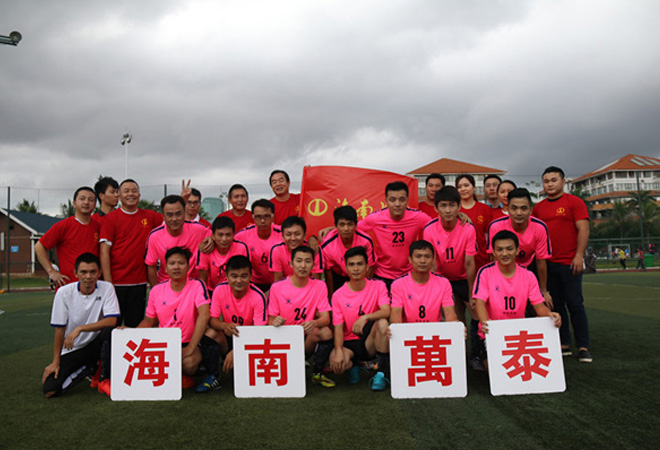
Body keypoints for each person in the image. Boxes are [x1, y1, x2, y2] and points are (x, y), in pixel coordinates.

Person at [473, 230, 561, 370]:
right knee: (497, 371)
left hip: (517, 332)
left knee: (522, 371)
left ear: (517, 250)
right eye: (500, 250)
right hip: (492, 332)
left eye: (509, 249)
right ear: (494, 252)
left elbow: (539, 306)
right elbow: (480, 302)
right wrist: (485, 323)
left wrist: (550, 315)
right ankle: (483, 356)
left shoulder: (528, 275)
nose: (504, 253)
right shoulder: (485, 272)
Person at [533, 166, 592, 362]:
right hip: (548, 265)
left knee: (575, 304)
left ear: (563, 182)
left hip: (570, 263)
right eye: (546, 181)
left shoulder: (574, 202)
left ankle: (583, 346)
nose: (550, 184)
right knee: (556, 305)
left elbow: (583, 229)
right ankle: (564, 343)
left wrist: (579, 255)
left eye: (554, 180)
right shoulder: (539, 208)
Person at [42, 253, 120, 398]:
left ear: (99, 273)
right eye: (83, 272)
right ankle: (90, 367)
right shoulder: (64, 293)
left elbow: (111, 321)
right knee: (50, 390)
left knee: (110, 331)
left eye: (93, 272)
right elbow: (60, 329)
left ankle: (104, 378)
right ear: (75, 273)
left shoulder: (107, 288)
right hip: (73, 348)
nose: (88, 276)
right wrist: (55, 361)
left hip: (96, 344)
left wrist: (80, 329)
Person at [138, 247, 213, 388]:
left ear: (188, 267)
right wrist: (131, 334)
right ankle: (176, 375)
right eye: (172, 263)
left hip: (190, 341)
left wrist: (191, 347)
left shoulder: (197, 285)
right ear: (166, 268)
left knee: (189, 365)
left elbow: (204, 315)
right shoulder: (156, 290)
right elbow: (149, 320)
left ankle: (191, 369)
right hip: (164, 342)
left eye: (181, 263)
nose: (176, 267)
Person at [422, 187, 480, 367]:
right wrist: (434, 290)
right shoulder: (429, 229)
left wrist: (472, 293)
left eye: (452, 205)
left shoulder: (468, 228)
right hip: (441, 279)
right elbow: (432, 263)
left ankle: (476, 355)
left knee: (476, 311)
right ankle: (453, 355)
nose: (448, 210)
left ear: (459, 207)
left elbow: (469, 263)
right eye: (443, 206)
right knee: (449, 315)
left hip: (462, 277)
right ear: (436, 208)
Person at [268, 246, 335, 388]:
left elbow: (326, 318)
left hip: (305, 339)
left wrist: (314, 322)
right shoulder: (277, 287)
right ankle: (289, 365)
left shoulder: (320, 286)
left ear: (313, 264)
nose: (303, 266)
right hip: (284, 340)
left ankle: (317, 372)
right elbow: (270, 321)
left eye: (307, 261)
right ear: (291, 264)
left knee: (325, 332)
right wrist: (276, 321)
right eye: (299, 261)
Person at [100, 179, 163, 327]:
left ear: (139, 195)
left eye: (134, 191)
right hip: (116, 284)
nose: (131, 194)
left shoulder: (150, 216)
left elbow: (174, 220)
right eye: (126, 191)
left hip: (139, 283)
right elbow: (104, 252)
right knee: (111, 327)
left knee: (134, 327)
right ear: (119, 196)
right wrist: (108, 283)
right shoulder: (110, 219)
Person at [202, 255, 267, 392]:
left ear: (251, 276)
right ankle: (213, 375)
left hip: (251, 342)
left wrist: (237, 350)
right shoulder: (220, 289)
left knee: (246, 376)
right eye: (234, 276)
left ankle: (244, 365)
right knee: (210, 333)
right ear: (226, 276)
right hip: (229, 337)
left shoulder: (258, 296)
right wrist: (224, 326)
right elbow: (212, 320)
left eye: (244, 276)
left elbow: (259, 332)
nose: (239, 281)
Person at [329, 246, 391, 390]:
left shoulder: (378, 286)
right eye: (351, 264)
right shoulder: (338, 295)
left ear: (367, 267)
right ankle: (354, 365)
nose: (356, 268)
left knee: (382, 323)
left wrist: (366, 317)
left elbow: (386, 311)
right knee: (337, 365)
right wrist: (338, 351)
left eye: (360, 264)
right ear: (346, 268)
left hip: (369, 342)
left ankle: (381, 373)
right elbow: (338, 328)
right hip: (348, 343)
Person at [357, 181, 430, 290]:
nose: (397, 204)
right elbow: (352, 229)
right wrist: (332, 229)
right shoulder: (375, 219)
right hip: (382, 274)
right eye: (392, 200)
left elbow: (436, 227)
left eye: (402, 200)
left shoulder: (418, 217)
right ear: (386, 201)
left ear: (407, 200)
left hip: (408, 274)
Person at [487, 188, 553, 307]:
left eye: (523, 208)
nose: (519, 213)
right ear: (508, 209)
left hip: (530, 267)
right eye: (514, 208)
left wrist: (543, 290)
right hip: (505, 267)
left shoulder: (540, 227)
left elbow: (541, 261)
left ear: (530, 210)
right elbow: (495, 259)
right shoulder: (496, 226)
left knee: (540, 306)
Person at [35, 186, 100, 288]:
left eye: (90, 200)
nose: (86, 202)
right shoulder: (63, 226)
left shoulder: (98, 226)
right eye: (82, 199)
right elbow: (39, 246)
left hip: (93, 287)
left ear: (95, 205)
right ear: (74, 203)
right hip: (68, 286)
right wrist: (51, 271)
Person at [145, 195, 211, 286]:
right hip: (166, 285)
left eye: (178, 214)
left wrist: (212, 240)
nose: (174, 219)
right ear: (163, 217)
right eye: (169, 215)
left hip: (193, 285)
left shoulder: (199, 229)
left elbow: (218, 236)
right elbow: (151, 266)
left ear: (184, 214)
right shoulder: (154, 236)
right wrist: (156, 290)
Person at [390, 240, 457, 325]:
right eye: (418, 256)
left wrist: (456, 328)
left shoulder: (443, 283)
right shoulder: (398, 284)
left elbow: (450, 313)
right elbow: (396, 316)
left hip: (435, 330)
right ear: (410, 259)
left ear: (433, 259)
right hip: (408, 331)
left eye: (427, 256)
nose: (423, 261)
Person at [321, 205, 376, 297]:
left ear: (355, 225)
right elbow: (328, 272)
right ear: (336, 226)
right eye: (342, 225)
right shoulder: (328, 245)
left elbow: (369, 268)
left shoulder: (366, 241)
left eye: (350, 224)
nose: (346, 229)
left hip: (360, 276)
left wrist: (366, 293)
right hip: (338, 277)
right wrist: (331, 295)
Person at [234, 199, 282, 292]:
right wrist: (212, 240)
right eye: (258, 217)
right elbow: (225, 241)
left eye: (267, 216)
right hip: (253, 284)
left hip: (278, 282)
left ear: (273, 217)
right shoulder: (243, 235)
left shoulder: (283, 233)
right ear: (253, 218)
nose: (263, 221)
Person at [197, 216, 250, 290]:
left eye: (228, 235)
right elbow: (203, 279)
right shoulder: (206, 249)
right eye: (220, 235)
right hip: (212, 290)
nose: (224, 239)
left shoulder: (241, 248)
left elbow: (245, 273)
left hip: (235, 290)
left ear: (233, 235)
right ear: (213, 235)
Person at [270, 216, 323, 282]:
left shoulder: (313, 248)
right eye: (288, 234)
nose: (293, 238)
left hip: (308, 286)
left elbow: (316, 282)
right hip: (285, 286)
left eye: (297, 234)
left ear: (304, 236)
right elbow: (277, 282)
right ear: (283, 237)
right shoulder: (277, 250)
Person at [456, 174, 492, 270]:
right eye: (459, 187)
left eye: (466, 185)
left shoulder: (485, 209)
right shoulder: (454, 211)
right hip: (460, 261)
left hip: (482, 259)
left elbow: (488, 236)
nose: (463, 189)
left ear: (474, 188)